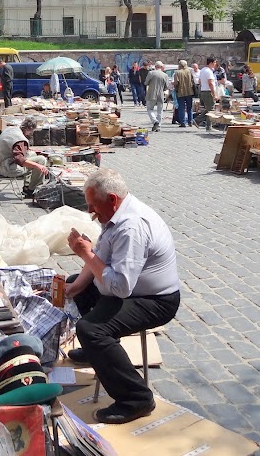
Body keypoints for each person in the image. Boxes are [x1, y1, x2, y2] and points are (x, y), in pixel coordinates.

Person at [65, 169, 180, 425]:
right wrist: (74, 288)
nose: (91, 213)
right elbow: (101, 259)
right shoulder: (117, 214)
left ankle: (136, 398)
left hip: (156, 300)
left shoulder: (131, 227)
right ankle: (99, 351)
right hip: (132, 289)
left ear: (113, 199)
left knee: (92, 330)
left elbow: (119, 288)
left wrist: (86, 254)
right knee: (76, 283)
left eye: (94, 205)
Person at [0, 118, 48, 198]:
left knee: (32, 154)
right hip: (7, 169)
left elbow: (13, 148)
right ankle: (32, 190)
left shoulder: (11, 129)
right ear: (30, 129)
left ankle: (26, 186)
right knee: (41, 160)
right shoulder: (20, 140)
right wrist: (38, 166)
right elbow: (20, 160)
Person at [144, 61, 169, 133]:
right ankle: (159, 126)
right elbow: (166, 87)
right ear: (161, 67)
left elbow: (146, 82)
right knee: (160, 111)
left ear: (155, 66)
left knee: (149, 109)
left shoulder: (151, 73)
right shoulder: (165, 75)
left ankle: (155, 121)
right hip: (160, 94)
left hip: (151, 93)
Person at [197, 57, 219, 131]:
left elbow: (200, 81)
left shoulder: (202, 70)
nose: (215, 64)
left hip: (203, 90)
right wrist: (214, 94)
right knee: (211, 110)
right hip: (208, 91)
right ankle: (208, 127)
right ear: (211, 63)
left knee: (208, 108)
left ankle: (197, 120)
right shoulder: (209, 71)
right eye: (215, 62)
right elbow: (211, 83)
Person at [173, 60, 195, 127]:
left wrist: (175, 87)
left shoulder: (177, 72)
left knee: (181, 108)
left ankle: (182, 122)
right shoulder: (189, 72)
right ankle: (190, 122)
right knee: (189, 108)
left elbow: (176, 83)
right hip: (189, 92)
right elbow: (193, 81)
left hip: (180, 92)